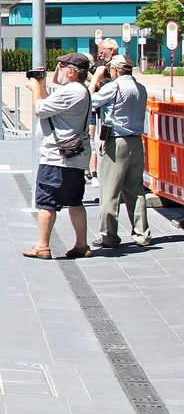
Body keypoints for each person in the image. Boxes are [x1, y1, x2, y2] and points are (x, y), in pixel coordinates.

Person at [25, 53, 94, 259]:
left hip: (57, 157)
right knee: (75, 201)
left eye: (61, 67)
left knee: (46, 201)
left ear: (71, 72)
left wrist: (35, 87)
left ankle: (42, 245)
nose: (59, 71)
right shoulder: (80, 90)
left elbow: (39, 108)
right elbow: (50, 105)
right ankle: (81, 245)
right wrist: (43, 84)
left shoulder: (71, 91)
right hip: (73, 156)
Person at [89, 53, 150, 248]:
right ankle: (142, 233)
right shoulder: (141, 88)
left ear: (114, 70)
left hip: (116, 142)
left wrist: (96, 79)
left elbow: (89, 101)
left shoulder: (113, 87)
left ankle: (109, 235)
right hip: (136, 141)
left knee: (109, 190)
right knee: (135, 189)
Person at [86, 38, 120, 187]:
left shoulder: (118, 65)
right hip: (107, 117)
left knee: (114, 162)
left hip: (116, 123)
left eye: (101, 52)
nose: (99, 55)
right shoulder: (106, 65)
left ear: (111, 50)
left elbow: (108, 88)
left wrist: (93, 79)